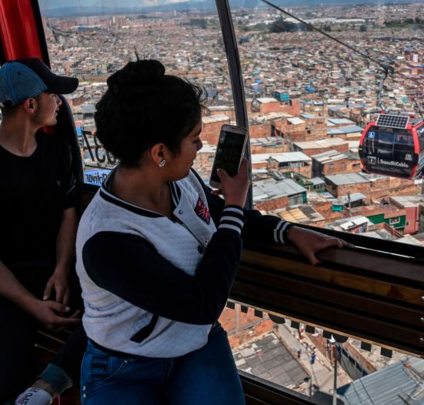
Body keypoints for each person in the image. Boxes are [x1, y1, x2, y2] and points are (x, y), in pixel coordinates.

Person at [76, 59, 348, 404]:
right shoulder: (108, 238)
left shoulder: (181, 182)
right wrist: (236, 205)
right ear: (160, 152)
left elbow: (214, 216)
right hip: (125, 365)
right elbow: (201, 302)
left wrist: (286, 231)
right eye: (193, 139)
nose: (200, 148)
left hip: (193, 342)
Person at [0, 58, 86, 405]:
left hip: (52, 274)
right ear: (31, 105)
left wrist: (61, 271)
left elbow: (68, 216)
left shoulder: (58, 152)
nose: (60, 102)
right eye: (53, 95)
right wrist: (31, 306)